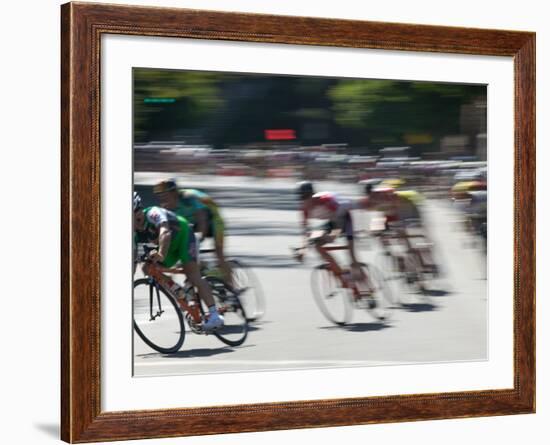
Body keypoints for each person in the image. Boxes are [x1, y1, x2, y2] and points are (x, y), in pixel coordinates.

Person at [133, 192, 224, 331]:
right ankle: (179, 292)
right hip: (169, 248)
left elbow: (165, 232)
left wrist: (161, 254)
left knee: (193, 276)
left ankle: (214, 315)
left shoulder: (153, 213)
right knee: (147, 268)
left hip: (184, 237)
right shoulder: (133, 232)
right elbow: (133, 257)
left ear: (138, 211)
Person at [152, 179, 233, 288]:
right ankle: (205, 271)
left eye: (165, 195)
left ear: (174, 192)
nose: (163, 199)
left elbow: (202, 218)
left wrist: (200, 239)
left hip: (213, 219)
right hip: (193, 223)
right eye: (160, 196)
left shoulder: (187, 198)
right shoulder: (166, 207)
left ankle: (231, 287)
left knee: (218, 253)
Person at [360, 182, 438, 275]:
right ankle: (404, 261)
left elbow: (392, 212)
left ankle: (420, 263)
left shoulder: (382, 195)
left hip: (407, 207)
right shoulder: (375, 200)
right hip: (396, 212)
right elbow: (382, 216)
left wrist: (391, 227)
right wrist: (375, 230)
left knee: (405, 237)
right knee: (388, 236)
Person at [295, 181, 361, 284]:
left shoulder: (324, 201)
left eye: (307, 196)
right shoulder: (304, 210)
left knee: (352, 257)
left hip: (344, 219)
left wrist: (333, 236)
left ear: (312, 195)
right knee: (317, 245)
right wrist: (303, 250)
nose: (305, 201)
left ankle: (368, 291)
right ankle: (342, 273)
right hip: (333, 222)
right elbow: (306, 232)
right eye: (302, 198)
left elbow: (338, 221)